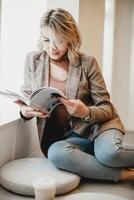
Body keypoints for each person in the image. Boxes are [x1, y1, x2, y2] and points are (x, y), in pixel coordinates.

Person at [16, 8, 134, 182]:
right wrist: (25, 112)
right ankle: (127, 175)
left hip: (99, 128)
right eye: (47, 40)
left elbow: (107, 108)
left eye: (59, 40)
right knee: (55, 154)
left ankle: (108, 150)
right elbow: (28, 98)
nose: (52, 47)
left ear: (70, 37)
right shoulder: (33, 61)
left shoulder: (87, 63)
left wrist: (85, 111)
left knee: (110, 155)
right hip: (68, 139)